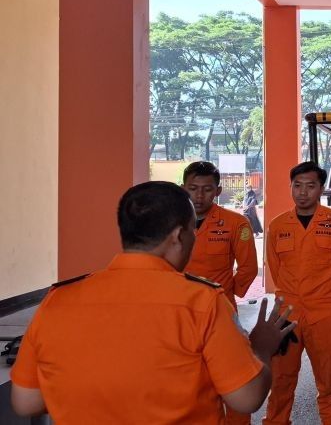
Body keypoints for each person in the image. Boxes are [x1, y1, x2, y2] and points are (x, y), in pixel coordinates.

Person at [10, 181, 297, 424]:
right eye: (192, 232)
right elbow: (246, 398)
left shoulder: (58, 300)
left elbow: (26, 402)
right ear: (178, 236)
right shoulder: (203, 302)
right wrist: (262, 346)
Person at [264, 161, 331, 425]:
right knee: (281, 380)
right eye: (297, 185)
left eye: (310, 186)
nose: (302, 192)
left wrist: (324, 296)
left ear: (321, 189)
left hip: (323, 313)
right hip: (286, 315)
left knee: (328, 381)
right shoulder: (278, 225)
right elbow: (275, 267)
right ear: (291, 187)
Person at [182, 161, 260, 425]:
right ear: (184, 188)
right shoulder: (171, 223)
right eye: (193, 189)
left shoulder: (235, 223)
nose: (199, 195)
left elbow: (248, 266)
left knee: (234, 380)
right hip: (180, 314)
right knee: (190, 383)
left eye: (206, 189)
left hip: (222, 314)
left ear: (218, 190)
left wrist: (231, 293)